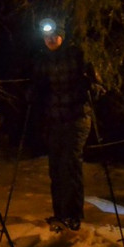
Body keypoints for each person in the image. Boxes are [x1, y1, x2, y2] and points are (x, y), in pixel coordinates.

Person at [29, 18, 98, 232]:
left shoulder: (78, 56)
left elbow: (98, 87)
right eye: (46, 36)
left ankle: (73, 214)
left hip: (76, 119)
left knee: (70, 165)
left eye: (53, 35)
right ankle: (59, 213)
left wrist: (89, 87)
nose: (49, 39)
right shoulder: (42, 60)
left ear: (62, 36)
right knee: (55, 168)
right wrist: (32, 93)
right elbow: (37, 87)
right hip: (54, 120)